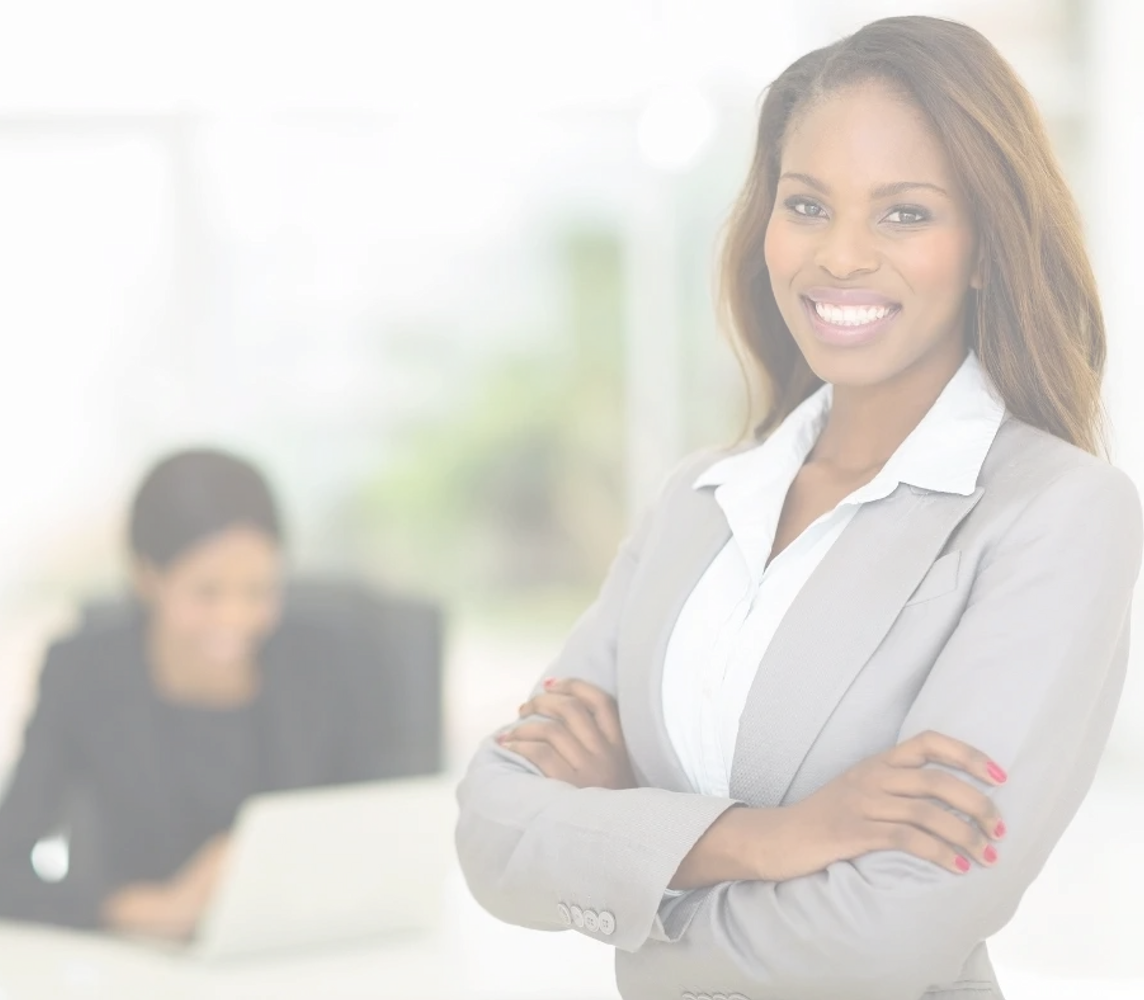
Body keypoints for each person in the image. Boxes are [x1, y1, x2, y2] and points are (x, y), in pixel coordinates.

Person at [455, 16, 1142, 1000]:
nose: (840, 257)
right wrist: (768, 837)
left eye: (903, 213)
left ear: (986, 249)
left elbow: (888, 938)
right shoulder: (697, 499)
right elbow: (490, 828)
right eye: (806, 204)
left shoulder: (1056, 515)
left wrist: (626, 851)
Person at [0, 448, 382, 939]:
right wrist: (148, 909)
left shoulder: (329, 663)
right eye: (206, 592)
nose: (233, 619)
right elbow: (2, 875)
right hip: (137, 966)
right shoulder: (83, 673)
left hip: (302, 949)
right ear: (148, 576)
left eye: (258, 591)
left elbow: (381, 837)